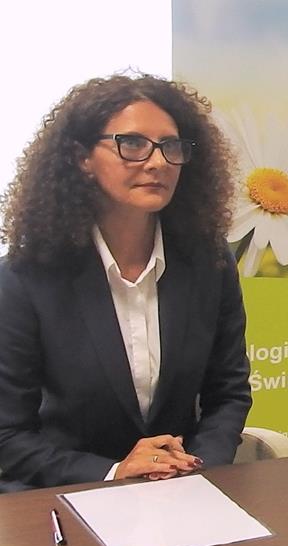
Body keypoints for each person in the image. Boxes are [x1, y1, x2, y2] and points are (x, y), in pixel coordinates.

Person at [0, 73, 252, 491]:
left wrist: (195, 467)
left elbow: (228, 394)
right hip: (64, 496)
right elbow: (8, 436)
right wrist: (114, 472)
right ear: (82, 158)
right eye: (132, 144)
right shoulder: (24, 278)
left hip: (179, 491)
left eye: (171, 146)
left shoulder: (209, 262)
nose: (157, 162)